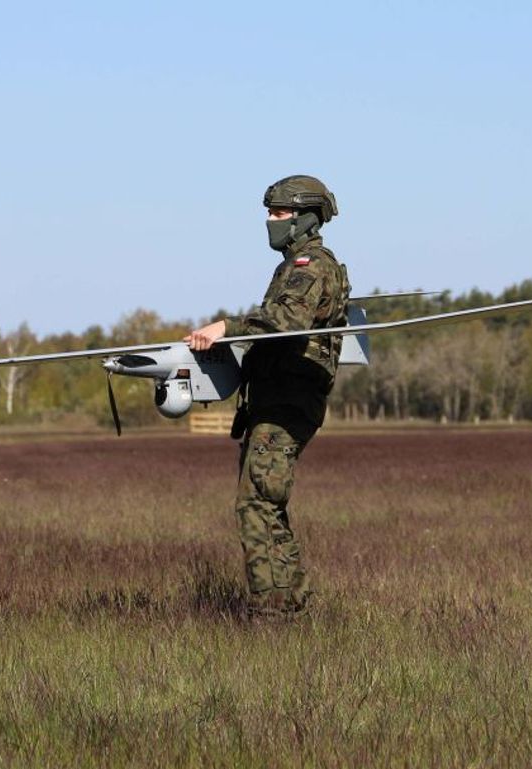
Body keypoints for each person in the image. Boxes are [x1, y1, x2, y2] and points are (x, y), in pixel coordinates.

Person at [184, 175, 350, 619]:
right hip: (273, 402)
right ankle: (292, 603)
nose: (270, 222)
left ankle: (272, 613)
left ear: (303, 218)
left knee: (256, 503)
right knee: (266, 504)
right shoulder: (294, 264)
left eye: (278, 214)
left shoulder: (310, 266)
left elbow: (286, 318)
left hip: (288, 403)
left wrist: (225, 327)